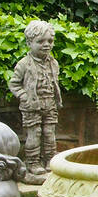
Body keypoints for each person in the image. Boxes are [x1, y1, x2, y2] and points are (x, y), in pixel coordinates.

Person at [8, 20, 61, 182]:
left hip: (50, 104)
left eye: (50, 41)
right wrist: (25, 97)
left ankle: (50, 160)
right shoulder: (24, 64)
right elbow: (14, 84)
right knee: (34, 134)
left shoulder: (53, 63)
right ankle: (33, 163)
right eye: (40, 41)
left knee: (49, 133)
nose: (46, 45)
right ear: (29, 43)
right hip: (32, 106)